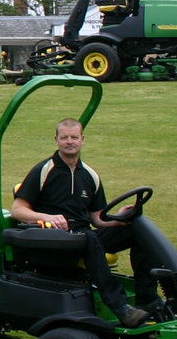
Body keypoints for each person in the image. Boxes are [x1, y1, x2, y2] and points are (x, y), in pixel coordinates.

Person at [10, 118, 155, 327]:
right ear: (56, 140)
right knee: (88, 237)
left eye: (74, 137)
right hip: (52, 239)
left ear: (82, 140)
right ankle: (120, 306)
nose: (70, 142)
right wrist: (47, 218)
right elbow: (18, 210)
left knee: (138, 230)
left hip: (83, 237)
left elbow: (96, 218)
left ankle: (148, 297)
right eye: (65, 137)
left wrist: (118, 219)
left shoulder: (90, 175)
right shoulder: (43, 171)